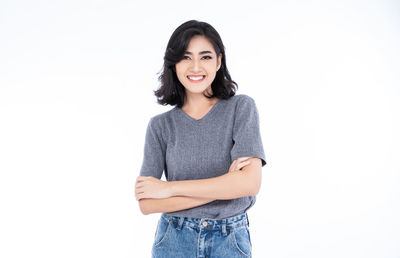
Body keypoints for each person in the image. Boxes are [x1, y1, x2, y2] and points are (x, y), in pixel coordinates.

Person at [135, 20, 267, 258]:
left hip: (229, 240)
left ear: (218, 61)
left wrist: (169, 188)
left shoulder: (241, 108)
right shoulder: (160, 126)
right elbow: (148, 203)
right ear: (174, 64)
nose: (195, 67)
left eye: (205, 57)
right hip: (174, 238)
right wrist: (228, 184)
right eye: (186, 57)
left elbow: (250, 184)